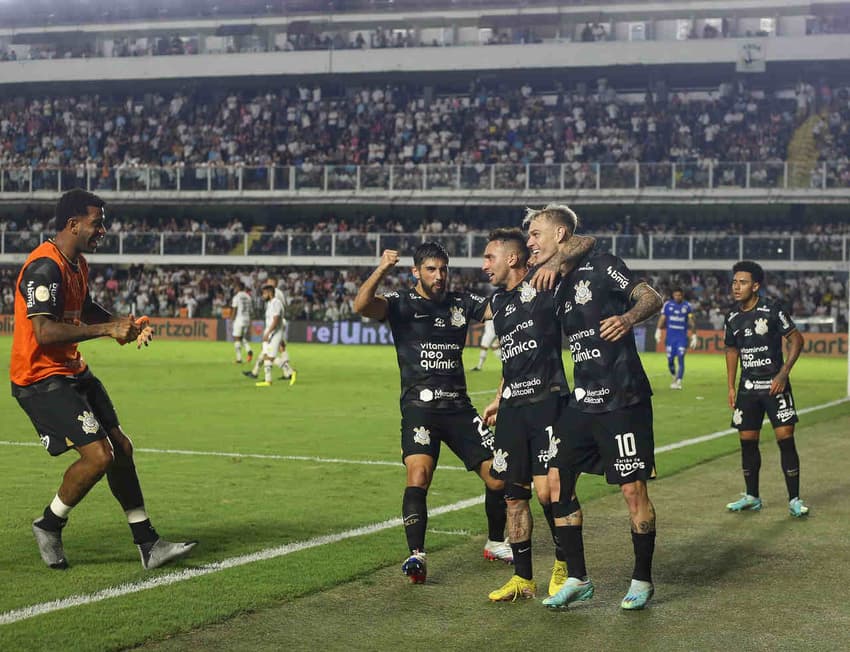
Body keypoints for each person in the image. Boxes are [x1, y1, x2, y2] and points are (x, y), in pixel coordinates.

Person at [10, 188, 197, 571]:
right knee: (98, 456)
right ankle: (49, 523)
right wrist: (106, 331)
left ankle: (148, 544)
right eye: (97, 223)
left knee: (121, 448)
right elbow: (44, 332)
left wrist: (119, 324)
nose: (103, 230)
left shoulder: (76, 263)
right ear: (72, 224)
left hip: (72, 371)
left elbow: (84, 308)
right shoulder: (43, 267)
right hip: (39, 379)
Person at [525, 204, 662, 611]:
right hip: (582, 401)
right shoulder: (557, 282)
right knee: (555, 484)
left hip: (622, 398)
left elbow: (650, 296)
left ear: (560, 234)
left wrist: (628, 317)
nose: (531, 241)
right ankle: (579, 578)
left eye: (536, 233)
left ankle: (642, 579)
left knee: (632, 490)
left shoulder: (603, 266)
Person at [354, 243, 510, 584]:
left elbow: (502, 310)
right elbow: (362, 304)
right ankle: (417, 555)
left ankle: (496, 541)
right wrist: (381, 268)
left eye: (443, 269)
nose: (439, 276)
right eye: (431, 270)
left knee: (499, 476)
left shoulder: (460, 303)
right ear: (416, 272)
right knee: (419, 476)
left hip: (458, 408)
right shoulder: (400, 304)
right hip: (419, 409)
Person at [479, 228, 591, 602]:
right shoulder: (499, 302)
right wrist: (498, 396)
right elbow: (511, 359)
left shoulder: (545, 283)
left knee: (549, 492)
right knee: (514, 497)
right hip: (513, 408)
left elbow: (585, 241)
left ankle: (564, 565)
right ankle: (522, 578)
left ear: (511, 259)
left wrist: (556, 260)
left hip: (548, 402)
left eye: (489, 258)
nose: (484, 266)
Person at [724, 260, 808, 517]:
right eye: (735, 282)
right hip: (747, 390)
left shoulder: (772, 309)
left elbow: (796, 339)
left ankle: (794, 499)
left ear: (756, 285)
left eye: (743, 282)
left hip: (774, 386)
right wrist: (730, 386)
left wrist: (783, 373)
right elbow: (731, 350)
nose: (737, 287)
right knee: (747, 443)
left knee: (785, 441)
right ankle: (752, 496)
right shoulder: (732, 317)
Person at [244, 282, 291, 386]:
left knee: (270, 357)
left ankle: (290, 371)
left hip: (274, 332)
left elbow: (275, 320)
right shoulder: (269, 303)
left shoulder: (276, 303)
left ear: (270, 293)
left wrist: (269, 332)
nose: (262, 296)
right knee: (266, 355)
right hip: (270, 332)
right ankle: (267, 380)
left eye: (264, 293)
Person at [655, 288, 698, 389]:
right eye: (676, 295)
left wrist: (694, 335)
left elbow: (691, 321)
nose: (677, 297)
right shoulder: (668, 305)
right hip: (670, 338)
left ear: (682, 295)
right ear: (673, 295)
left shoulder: (687, 306)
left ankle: (678, 381)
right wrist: (658, 330)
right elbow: (662, 318)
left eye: (679, 295)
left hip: (681, 338)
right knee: (670, 360)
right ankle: (674, 376)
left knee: (681, 358)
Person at [231, 281, 254, 364]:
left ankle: (239, 358)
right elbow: (251, 311)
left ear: (238, 288)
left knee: (236, 338)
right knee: (242, 337)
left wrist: (232, 319)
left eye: (235, 287)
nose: (234, 289)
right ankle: (249, 350)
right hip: (247, 319)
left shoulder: (236, 297)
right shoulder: (248, 297)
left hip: (239, 319)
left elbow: (235, 309)